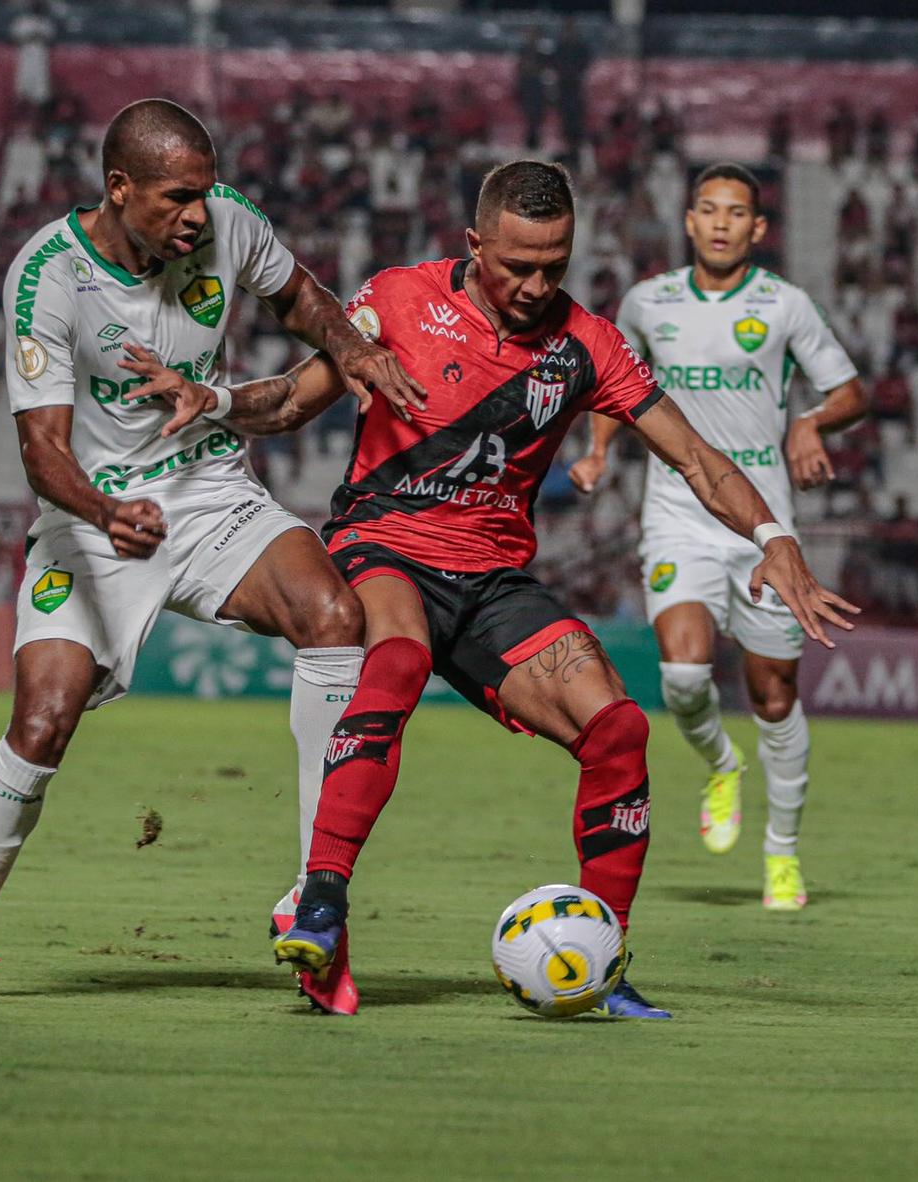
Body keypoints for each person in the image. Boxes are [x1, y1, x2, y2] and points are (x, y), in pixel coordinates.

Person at [213, 161, 857, 1018]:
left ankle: (608, 959)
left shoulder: (586, 344)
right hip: (385, 547)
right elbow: (294, 400)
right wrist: (210, 400)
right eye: (516, 265)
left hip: (493, 581)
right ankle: (320, 901)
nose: (535, 284)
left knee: (619, 729)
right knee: (396, 661)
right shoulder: (400, 299)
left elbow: (698, 456)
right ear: (476, 243)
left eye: (554, 264)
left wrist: (773, 537)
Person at [0, 99, 426, 1013]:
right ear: (120, 188)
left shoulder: (228, 222)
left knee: (335, 619)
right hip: (94, 519)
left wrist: (351, 347)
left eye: (204, 191)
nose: (198, 213)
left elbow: (301, 296)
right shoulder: (49, 277)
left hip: (210, 493)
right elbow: (43, 452)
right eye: (178, 196)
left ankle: (314, 904)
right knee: (43, 722)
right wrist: (106, 511)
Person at [571, 162, 867, 907]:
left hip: (766, 524)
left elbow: (851, 392)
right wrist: (601, 448)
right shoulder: (648, 302)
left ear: (758, 229)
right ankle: (722, 765)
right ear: (690, 221)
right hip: (676, 513)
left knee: (773, 695)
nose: (723, 222)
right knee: (683, 675)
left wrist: (809, 420)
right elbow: (615, 379)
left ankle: (782, 853)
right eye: (709, 209)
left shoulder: (785, 305)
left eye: (738, 212)